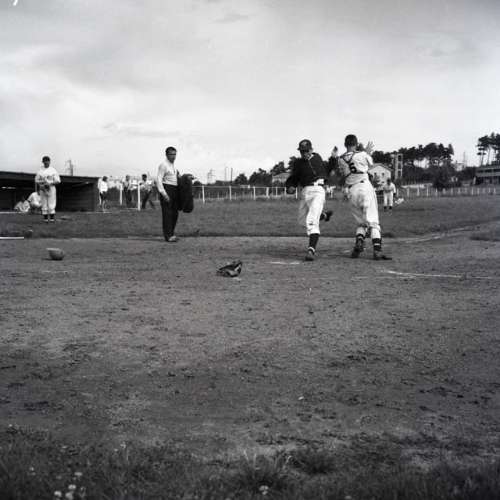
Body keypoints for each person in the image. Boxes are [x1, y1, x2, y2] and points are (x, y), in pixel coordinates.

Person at [336, 135, 390, 260]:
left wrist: (363, 153)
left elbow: (347, 169)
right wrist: (367, 152)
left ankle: (360, 241)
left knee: (361, 222)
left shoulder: (340, 159)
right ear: (356, 144)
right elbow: (370, 165)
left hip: (352, 191)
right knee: (373, 222)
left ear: (345, 144)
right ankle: (377, 250)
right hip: (365, 188)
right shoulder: (362, 154)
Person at [285, 139, 336, 261]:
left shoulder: (317, 158)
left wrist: (333, 159)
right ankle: (323, 216)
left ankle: (311, 250)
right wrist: (290, 186)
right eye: (302, 151)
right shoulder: (298, 163)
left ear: (311, 149)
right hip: (305, 192)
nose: (304, 153)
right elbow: (294, 178)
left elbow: (327, 170)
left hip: (318, 190)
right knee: (302, 220)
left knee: (312, 221)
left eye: (306, 151)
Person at [156, 146, 180, 242]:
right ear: (166, 155)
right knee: (167, 214)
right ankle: (168, 236)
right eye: (171, 154)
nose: (173, 156)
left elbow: (176, 178)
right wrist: (164, 194)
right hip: (167, 189)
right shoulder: (163, 165)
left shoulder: (173, 166)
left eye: (175, 154)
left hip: (174, 190)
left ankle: (171, 234)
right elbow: (158, 180)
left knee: (175, 213)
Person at [35, 156, 61, 223]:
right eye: (44, 161)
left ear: (49, 162)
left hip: (51, 187)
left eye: (47, 161)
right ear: (42, 162)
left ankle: (52, 219)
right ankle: (45, 219)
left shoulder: (53, 170)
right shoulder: (40, 170)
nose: (46, 162)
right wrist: (42, 183)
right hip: (43, 187)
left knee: (51, 203)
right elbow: (36, 180)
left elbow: (58, 181)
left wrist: (50, 183)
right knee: (44, 203)